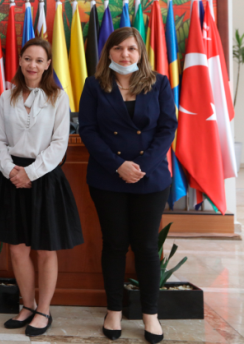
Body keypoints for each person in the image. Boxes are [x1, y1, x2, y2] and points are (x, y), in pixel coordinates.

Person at [79, 28, 176, 344]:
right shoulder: (94, 86)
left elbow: (167, 128)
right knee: (115, 244)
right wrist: (118, 165)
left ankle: (151, 315)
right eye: (118, 48)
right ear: (108, 52)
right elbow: (89, 131)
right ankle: (113, 311)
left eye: (131, 48)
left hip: (150, 178)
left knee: (147, 247)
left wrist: (141, 166)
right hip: (109, 177)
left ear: (141, 52)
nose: (125, 54)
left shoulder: (159, 83)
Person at [0, 38, 83, 337]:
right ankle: (27, 305)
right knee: (17, 249)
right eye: (27, 58)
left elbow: (59, 144)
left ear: (47, 65)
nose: (32, 65)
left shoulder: (58, 98)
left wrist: (30, 173)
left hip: (44, 177)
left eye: (39, 60)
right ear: (19, 61)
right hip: (12, 177)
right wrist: (11, 171)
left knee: (45, 248)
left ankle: (43, 310)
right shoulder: (6, 97)